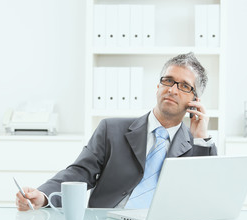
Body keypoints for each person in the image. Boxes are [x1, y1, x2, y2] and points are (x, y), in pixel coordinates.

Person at [16, 52, 217, 211]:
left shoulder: (198, 144)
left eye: (184, 86)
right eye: (168, 81)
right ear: (157, 86)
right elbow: (79, 173)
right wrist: (43, 196)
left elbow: (204, 197)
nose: (172, 90)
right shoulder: (111, 130)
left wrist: (200, 138)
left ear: (195, 100)